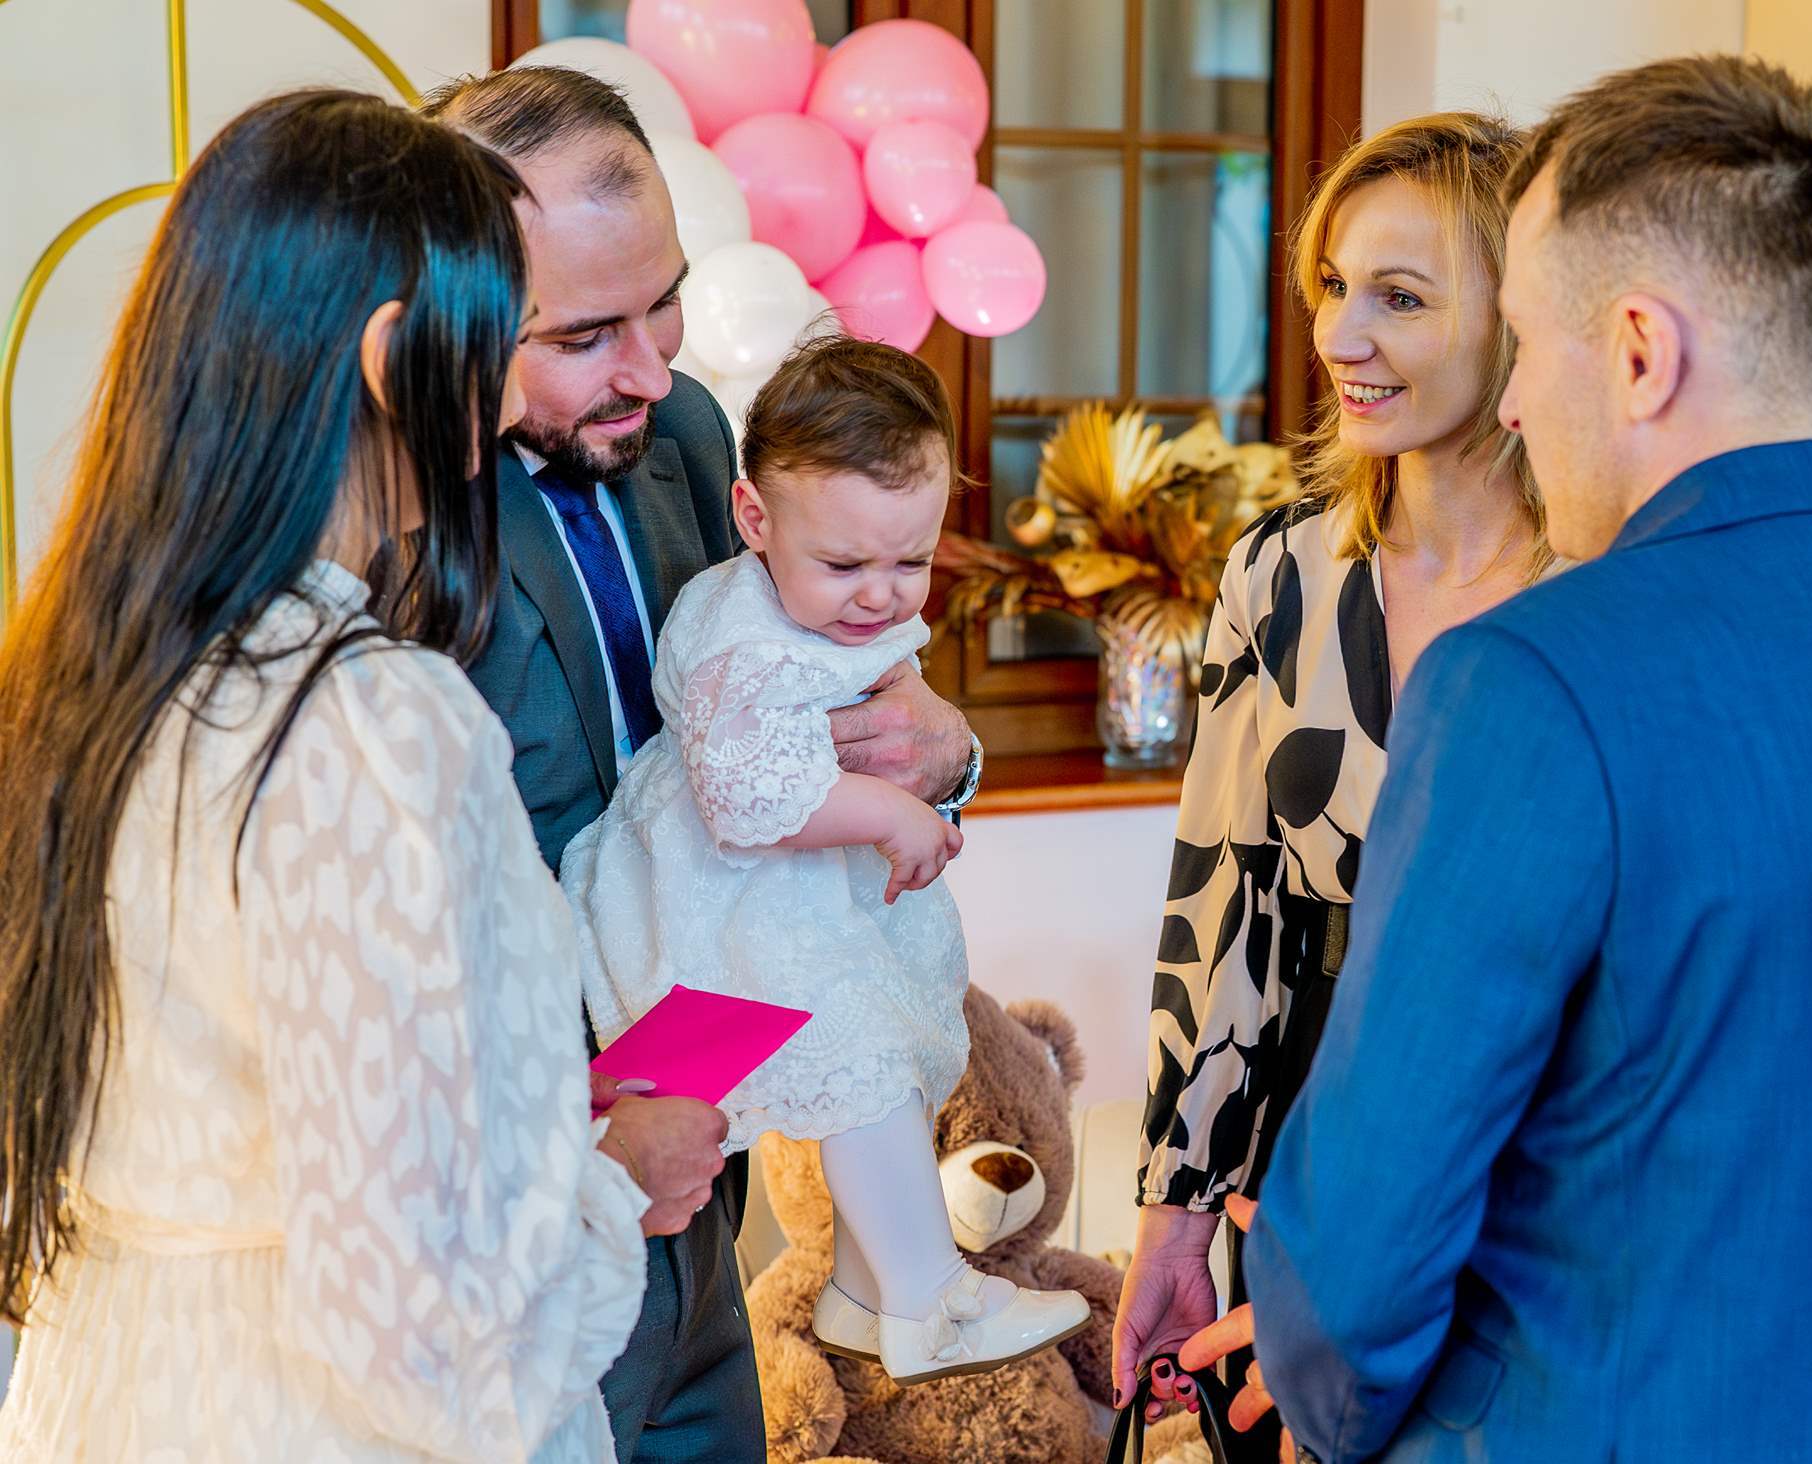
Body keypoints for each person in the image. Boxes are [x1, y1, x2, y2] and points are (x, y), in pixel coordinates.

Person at [1194, 56, 1812, 1463]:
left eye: (1529, 344)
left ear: (1641, 353)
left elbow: (1360, 1258)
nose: (1516, 406)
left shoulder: (1525, 682)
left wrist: (1317, 1377)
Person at [0, 90, 653, 1460]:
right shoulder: (363, 719)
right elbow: (414, 1333)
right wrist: (608, 1190)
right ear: (395, 358)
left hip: (110, 1388)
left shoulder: (78, 682)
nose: (506, 400)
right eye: (498, 342)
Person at [419, 67, 985, 1461]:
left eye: (662, 304)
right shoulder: (392, 520)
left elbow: (787, 690)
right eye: (585, 334)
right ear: (455, 317)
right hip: (518, 1214)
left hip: (708, 1144)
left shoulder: (683, 436)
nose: (652, 370)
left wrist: (945, 746)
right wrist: (590, 1149)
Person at [1112, 113, 1550, 1434]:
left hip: (1538, 1156)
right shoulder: (1282, 571)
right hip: (1308, 1143)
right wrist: (1175, 1218)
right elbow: (1223, 907)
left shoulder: (1608, 591)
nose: (1340, 337)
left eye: (1399, 298)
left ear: (1522, 318)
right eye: (1332, 286)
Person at [565, 335, 1091, 1387]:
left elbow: (894, 710)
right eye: (846, 566)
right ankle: (926, 1299)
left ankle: (863, 1288)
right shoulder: (743, 639)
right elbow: (747, 795)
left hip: (808, 900)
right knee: (861, 1061)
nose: (880, 596)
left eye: (911, 563)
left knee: (888, 1061)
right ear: (755, 518)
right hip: (728, 907)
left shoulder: (818, 596)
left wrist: (937, 762)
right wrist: (887, 815)